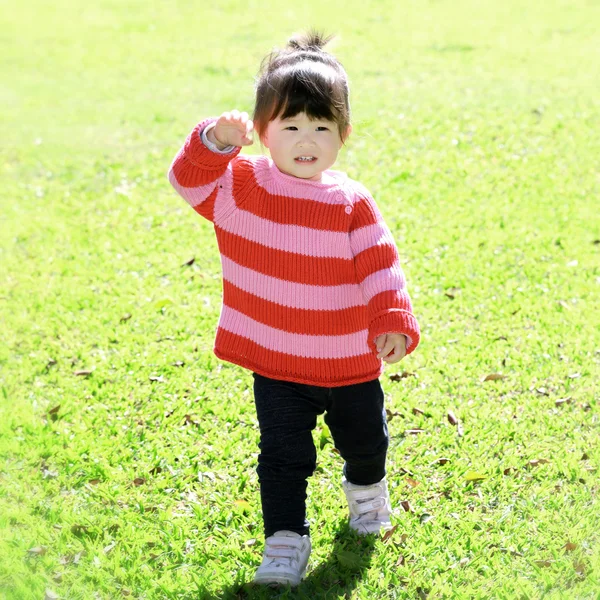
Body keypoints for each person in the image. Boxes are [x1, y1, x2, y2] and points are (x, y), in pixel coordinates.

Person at [167, 30, 420, 587]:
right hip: (278, 362)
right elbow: (186, 182)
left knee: (366, 440)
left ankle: (367, 493)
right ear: (261, 133)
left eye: (321, 127)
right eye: (290, 126)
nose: (306, 140)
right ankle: (285, 537)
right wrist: (213, 141)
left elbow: (381, 265)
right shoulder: (241, 188)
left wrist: (393, 321)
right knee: (281, 457)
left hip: (348, 360)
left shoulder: (350, 202)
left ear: (343, 135)